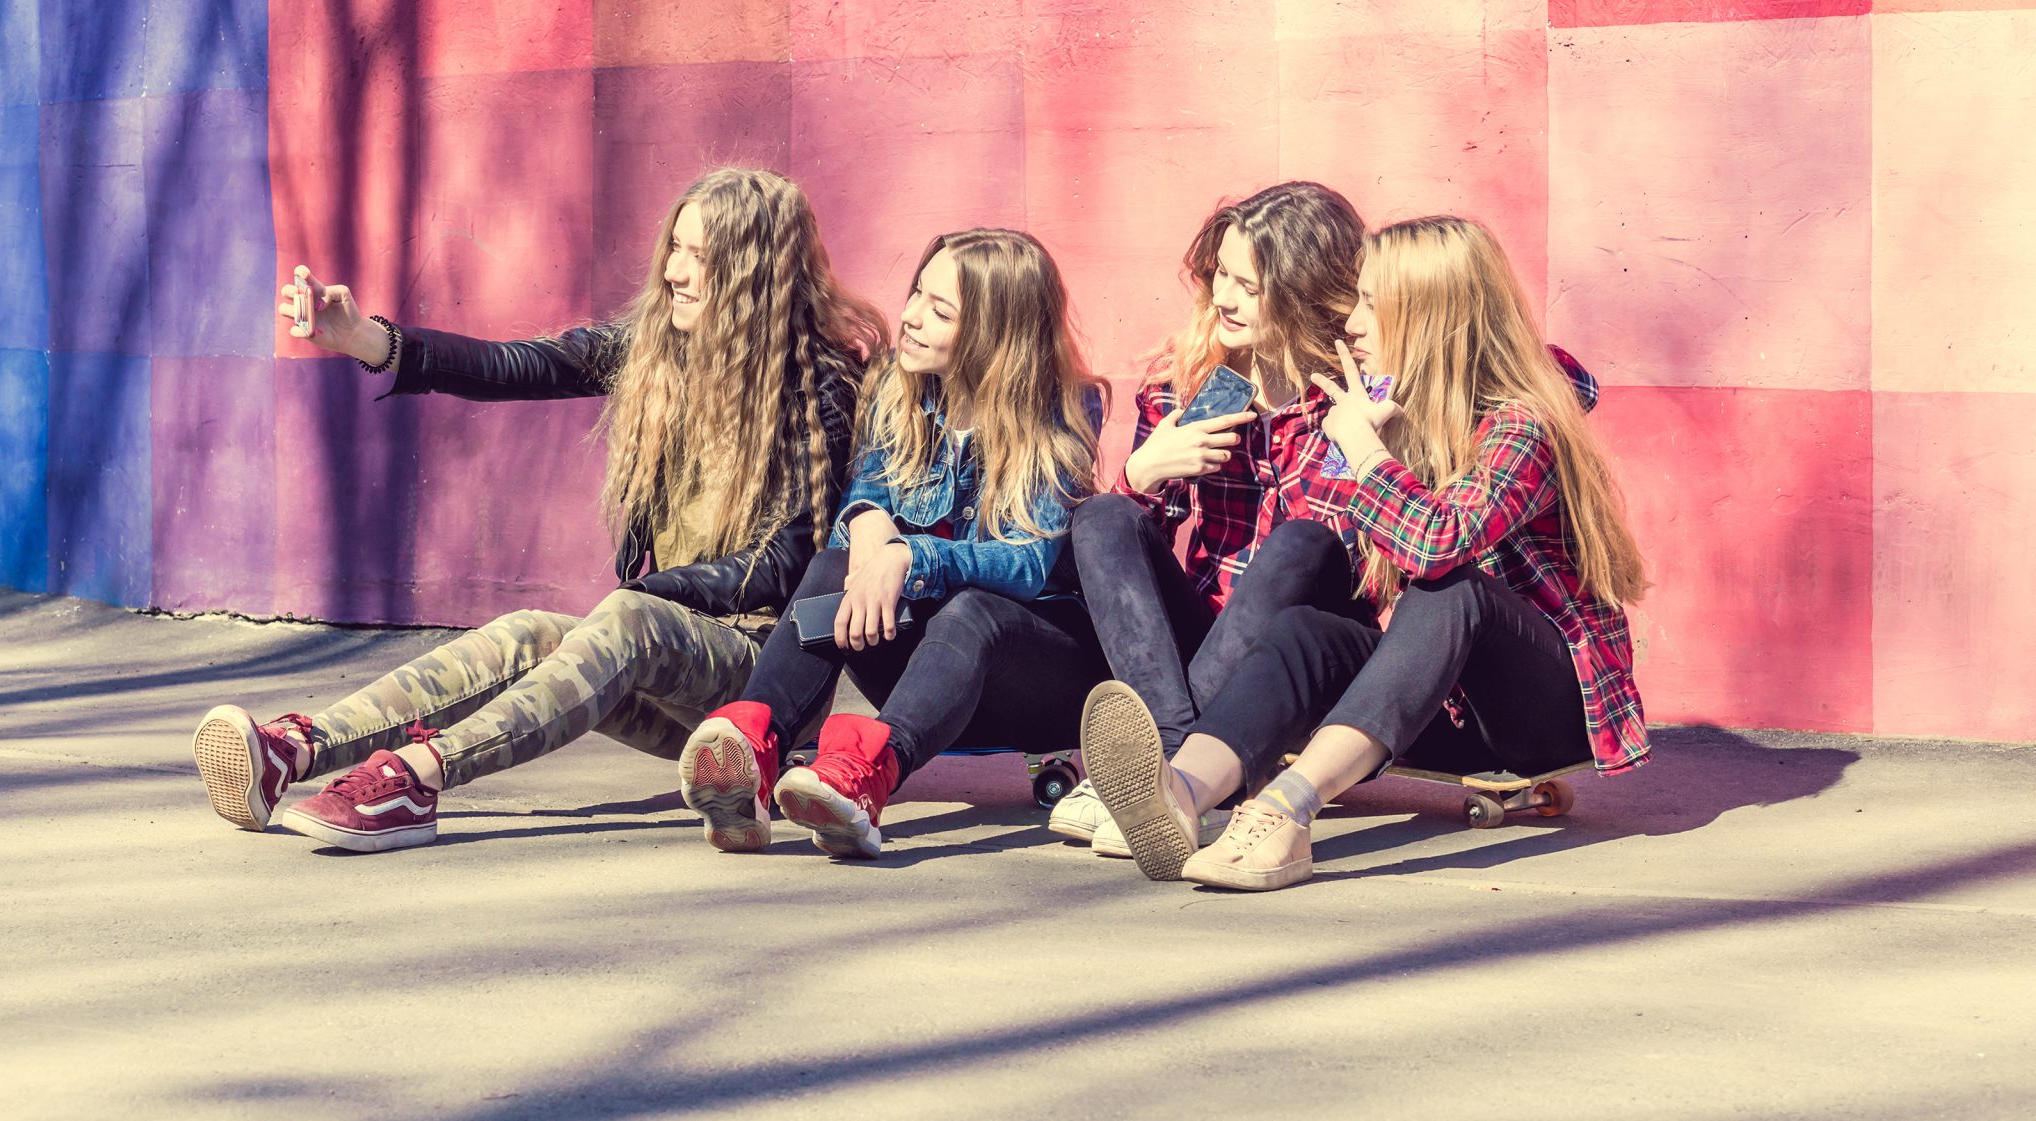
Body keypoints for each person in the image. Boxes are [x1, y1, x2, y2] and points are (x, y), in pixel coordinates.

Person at [191, 168, 883, 851]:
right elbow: (520, 365)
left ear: (750, 271)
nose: (673, 269)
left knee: (628, 618)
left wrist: (644, 596)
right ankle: (300, 748)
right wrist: (367, 341)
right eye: (675, 245)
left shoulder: (817, 385)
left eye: (698, 255)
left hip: (757, 686)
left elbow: (782, 564)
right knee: (529, 631)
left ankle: (415, 777)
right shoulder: (659, 350)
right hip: (662, 653)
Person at [1083, 216, 1649, 889]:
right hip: (1436, 705)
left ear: (1431, 317)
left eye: (1373, 303)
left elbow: (1441, 543)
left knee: (1452, 587)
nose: (1351, 320)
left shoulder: (1523, 423)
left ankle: (1283, 811)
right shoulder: (1390, 404)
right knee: (1306, 634)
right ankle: (1178, 792)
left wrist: (1364, 450)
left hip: (1539, 710)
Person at [673, 229, 1108, 859]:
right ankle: (752, 753)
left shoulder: (1064, 412)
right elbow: (867, 494)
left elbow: (1029, 562)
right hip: (933, 676)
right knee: (833, 564)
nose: (909, 317)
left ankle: (865, 776)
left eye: (940, 310)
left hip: (1040, 683)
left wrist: (911, 555)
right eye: (916, 295)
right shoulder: (901, 395)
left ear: (996, 334)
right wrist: (869, 521)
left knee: (973, 606)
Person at [1053, 183, 1377, 857]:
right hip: (1206, 648)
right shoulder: (1186, 383)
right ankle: (1171, 768)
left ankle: (1159, 780)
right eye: (1220, 275)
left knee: (1300, 542)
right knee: (1104, 515)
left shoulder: (1355, 392)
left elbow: (1570, 383)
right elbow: (1119, 564)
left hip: (1304, 654)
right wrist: (1147, 472)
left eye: (1247, 285)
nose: (1223, 297)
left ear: (1304, 290)